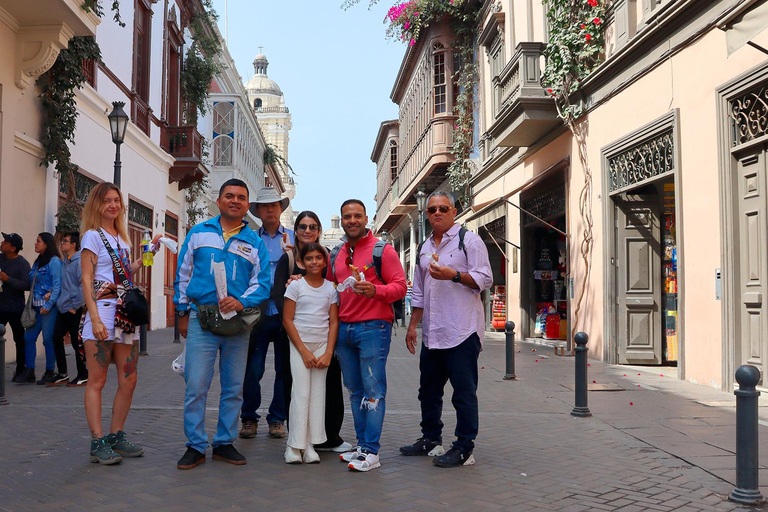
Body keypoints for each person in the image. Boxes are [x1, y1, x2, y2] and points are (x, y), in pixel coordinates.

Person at [175, 178, 271, 471]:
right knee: (196, 385)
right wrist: (181, 312)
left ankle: (224, 442)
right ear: (219, 201)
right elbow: (183, 273)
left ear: (246, 205)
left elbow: (263, 282)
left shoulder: (255, 241)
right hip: (200, 320)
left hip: (236, 325)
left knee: (233, 388)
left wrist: (241, 301)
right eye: (229, 196)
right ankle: (194, 445)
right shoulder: (198, 233)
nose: (235, 201)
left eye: (241, 197)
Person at [401, 191, 493, 468]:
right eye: (431, 210)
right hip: (432, 332)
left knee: (463, 394)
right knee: (428, 391)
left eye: (443, 208)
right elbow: (418, 290)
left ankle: (465, 447)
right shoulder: (424, 247)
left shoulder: (470, 240)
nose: (437, 213)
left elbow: (485, 278)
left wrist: (454, 275)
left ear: (454, 211)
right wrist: (413, 326)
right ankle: (431, 439)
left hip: (461, 331)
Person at [80, 182, 161, 465]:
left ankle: (116, 435)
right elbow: (87, 279)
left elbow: (125, 274)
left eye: (116, 200)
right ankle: (97, 440)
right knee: (98, 380)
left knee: (129, 379)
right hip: (102, 313)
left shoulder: (122, 238)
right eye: (107, 201)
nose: (113, 205)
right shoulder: (92, 236)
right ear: (97, 205)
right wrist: (93, 317)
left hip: (124, 315)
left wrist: (145, 257)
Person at [329, 199, 406, 472]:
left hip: (373, 328)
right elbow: (329, 288)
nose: (352, 220)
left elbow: (400, 287)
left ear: (366, 219)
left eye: (357, 216)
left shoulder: (381, 250)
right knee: (354, 391)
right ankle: (361, 446)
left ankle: (372, 451)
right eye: (347, 216)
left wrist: (376, 291)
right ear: (342, 219)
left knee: (373, 392)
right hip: (344, 330)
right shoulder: (336, 253)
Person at [272, 211, 351, 455]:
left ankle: (326, 437)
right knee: (297, 388)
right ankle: (298, 440)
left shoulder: (329, 256)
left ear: (319, 231)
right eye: (303, 226)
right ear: (295, 230)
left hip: (324, 337)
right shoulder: (287, 259)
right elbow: (279, 297)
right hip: (295, 336)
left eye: (313, 226)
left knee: (327, 389)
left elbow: (334, 292)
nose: (308, 230)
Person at [239, 187, 293, 440]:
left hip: (286, 316)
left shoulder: (294, 238)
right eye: (265, 206)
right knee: (253, 369)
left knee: (285, 370)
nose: (270, 210)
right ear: (258, 211)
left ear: (281, 208)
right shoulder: (248, 239)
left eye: (274, 205)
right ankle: (249, 418)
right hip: (256, 314)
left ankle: (277, 419)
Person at [282, 242, 339, 464]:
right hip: (300, 346)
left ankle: (311, 444)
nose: (314, 262)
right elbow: (287, 320)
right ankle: (293, 446)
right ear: (301, 262)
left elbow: (333, 322)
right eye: (309, 259)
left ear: (325, 261)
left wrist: (328, 352)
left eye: (318, 258)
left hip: (322, 346)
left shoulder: (331, 288)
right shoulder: (295, 286)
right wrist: (304, 351)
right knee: (301, 393)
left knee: (317, 395)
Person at [21, 232, 62, 385]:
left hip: (48, 308)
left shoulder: (54, 261)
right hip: (35, 307)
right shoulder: (38, 262)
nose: (35, 244)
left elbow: (57, 285)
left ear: (46, 244)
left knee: (47, 340)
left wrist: (49, 304)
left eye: (38, 241)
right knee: (29, 338)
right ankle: (29, 371)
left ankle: (50, 371)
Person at [49, 231, 87, 386]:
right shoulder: (65, 261)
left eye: (65, 241)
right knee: (55, 337)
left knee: (76, 342)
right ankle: (62, 373)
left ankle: (83, 374)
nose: (62, 243)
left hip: (73, 308)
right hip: (63, 307)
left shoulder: (79, 262)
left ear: (73, 245)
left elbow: (83, 286)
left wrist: (75, 306)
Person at [0, 232, 31, 383]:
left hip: (15, 308)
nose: (2, 243)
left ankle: (21, 369)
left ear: (12, 248)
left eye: (5, 242)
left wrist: (8, 279)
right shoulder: (0, 258)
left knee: (19, 339)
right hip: (0, 306)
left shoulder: (22, 264)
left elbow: (27, 284)